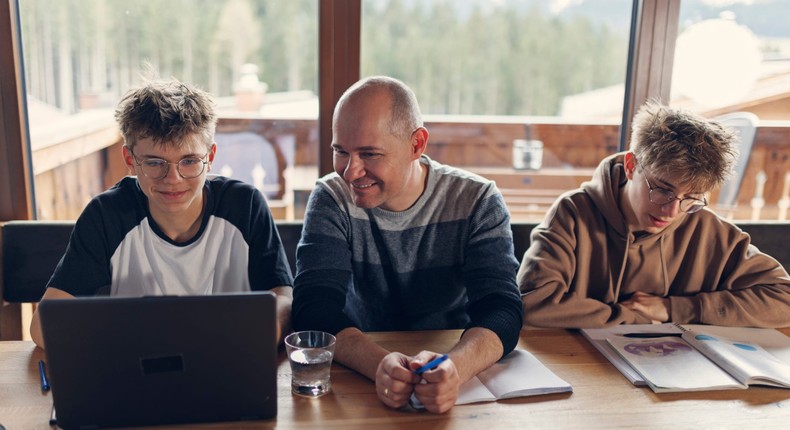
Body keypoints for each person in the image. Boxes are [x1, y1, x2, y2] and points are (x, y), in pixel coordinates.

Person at [291, 76, 523, 413]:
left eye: (369, 154)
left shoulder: (477, 200)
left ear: (417, 144)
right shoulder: (331, 198)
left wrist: (455, 369)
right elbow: (313, 308)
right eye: (340, 151)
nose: (351, 172)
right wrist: (379, 365)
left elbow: (502, 309)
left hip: (454, 364)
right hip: (360, 374)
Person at [30, 78, 293, 348]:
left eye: (189, 161)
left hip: (229, 360)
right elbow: (42, 327)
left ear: (210, 157)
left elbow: (283, 296)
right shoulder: (106, 215)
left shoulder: (245, 206)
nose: (173, 178)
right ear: (130, 160)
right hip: (134, 368)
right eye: (155, 162)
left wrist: (263, 333)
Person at [518, 102, 790, 328]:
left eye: (691, 198)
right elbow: (532, 301)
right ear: (631, 165)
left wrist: (675, 309)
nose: (672, 211)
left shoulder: (708, 229)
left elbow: (784, 299)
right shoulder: (573, 213)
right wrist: (632, 317)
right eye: (662, 190)